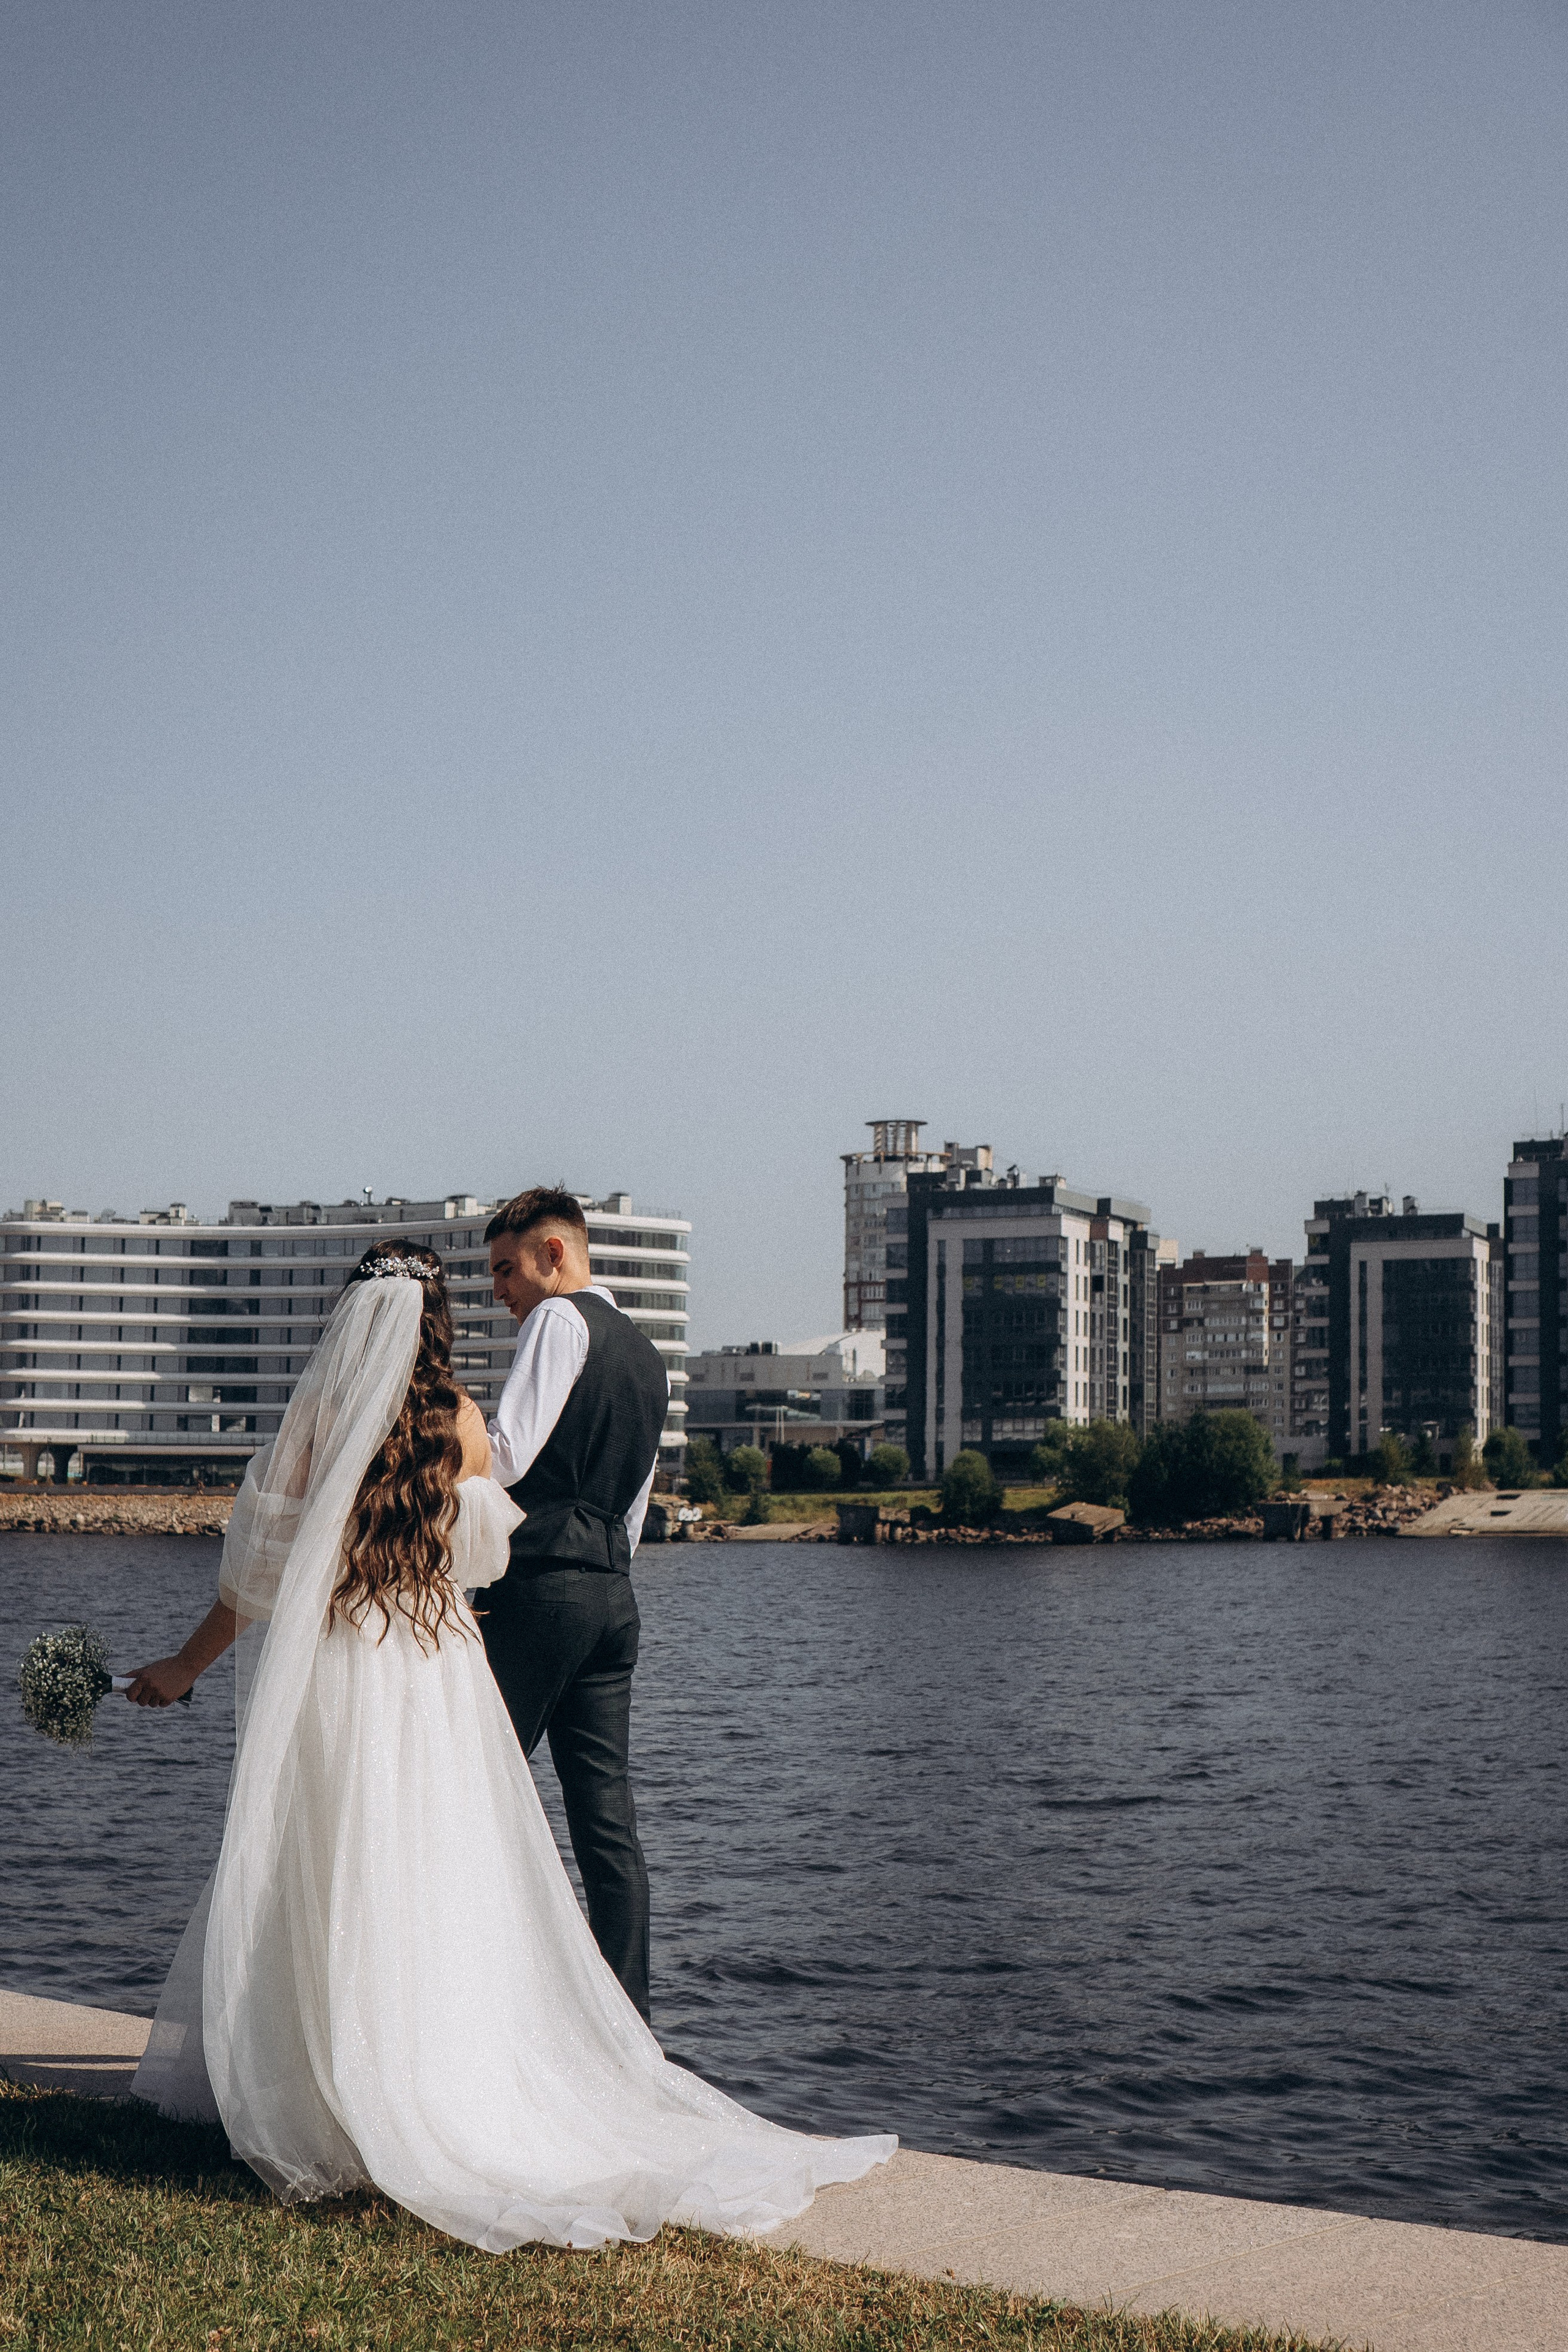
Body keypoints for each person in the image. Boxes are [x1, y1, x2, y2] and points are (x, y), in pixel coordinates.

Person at [125, 1240, 894, 2250]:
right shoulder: (466, 1428)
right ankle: (445, 2075)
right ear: (438, 1324)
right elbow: (477, 1563)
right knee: (443, 1878)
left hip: (346, 1675)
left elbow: (254, 1584)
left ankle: (335, 2085)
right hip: (438, 1678)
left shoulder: (317, 1422)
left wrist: (184, 1666)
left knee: (337, 1866)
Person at [480, 1185, 666, 2021]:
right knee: (607, 1825)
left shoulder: (561, 1321)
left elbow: (510, 1454)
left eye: (505, 1269)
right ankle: (627, 2025)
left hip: (542, 1585)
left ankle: (481, 1998)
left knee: (473, 1785)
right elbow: (635, 1512)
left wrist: (443, 1433)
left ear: (554, 1253)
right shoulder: (649, 1358)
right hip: (613, 1598)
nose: (499, 1290)